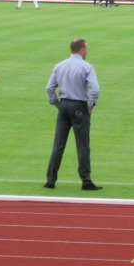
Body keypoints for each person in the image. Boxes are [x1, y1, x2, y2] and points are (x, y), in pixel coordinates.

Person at [45, 39, 102, 190]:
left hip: (63, 106)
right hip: (79, 107)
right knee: (82, 145)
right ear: (81, 50)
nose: (87, 51)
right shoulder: (87, 67)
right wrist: (91, 106)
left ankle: (50, 180)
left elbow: (49, 88)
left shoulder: (60, 65)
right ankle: (86, 180)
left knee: (58, 145)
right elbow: (95, 90)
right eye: (87, 48)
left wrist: (57, 103)